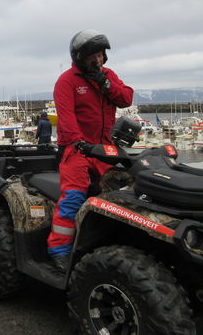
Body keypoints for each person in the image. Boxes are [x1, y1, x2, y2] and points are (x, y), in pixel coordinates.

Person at [47, 30, 133, 272]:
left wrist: (105, 84)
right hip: (77, 149)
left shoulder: (108, 76)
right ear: (80, 58)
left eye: (100, 55)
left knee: (121, 194)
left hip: (105, 148)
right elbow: (66, 117)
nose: (98, 60)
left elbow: (126, 98)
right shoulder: (67, 81)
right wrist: (79, 143)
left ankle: (109, 243)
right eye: (92, 56)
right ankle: (59, 250)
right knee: (74, 196)